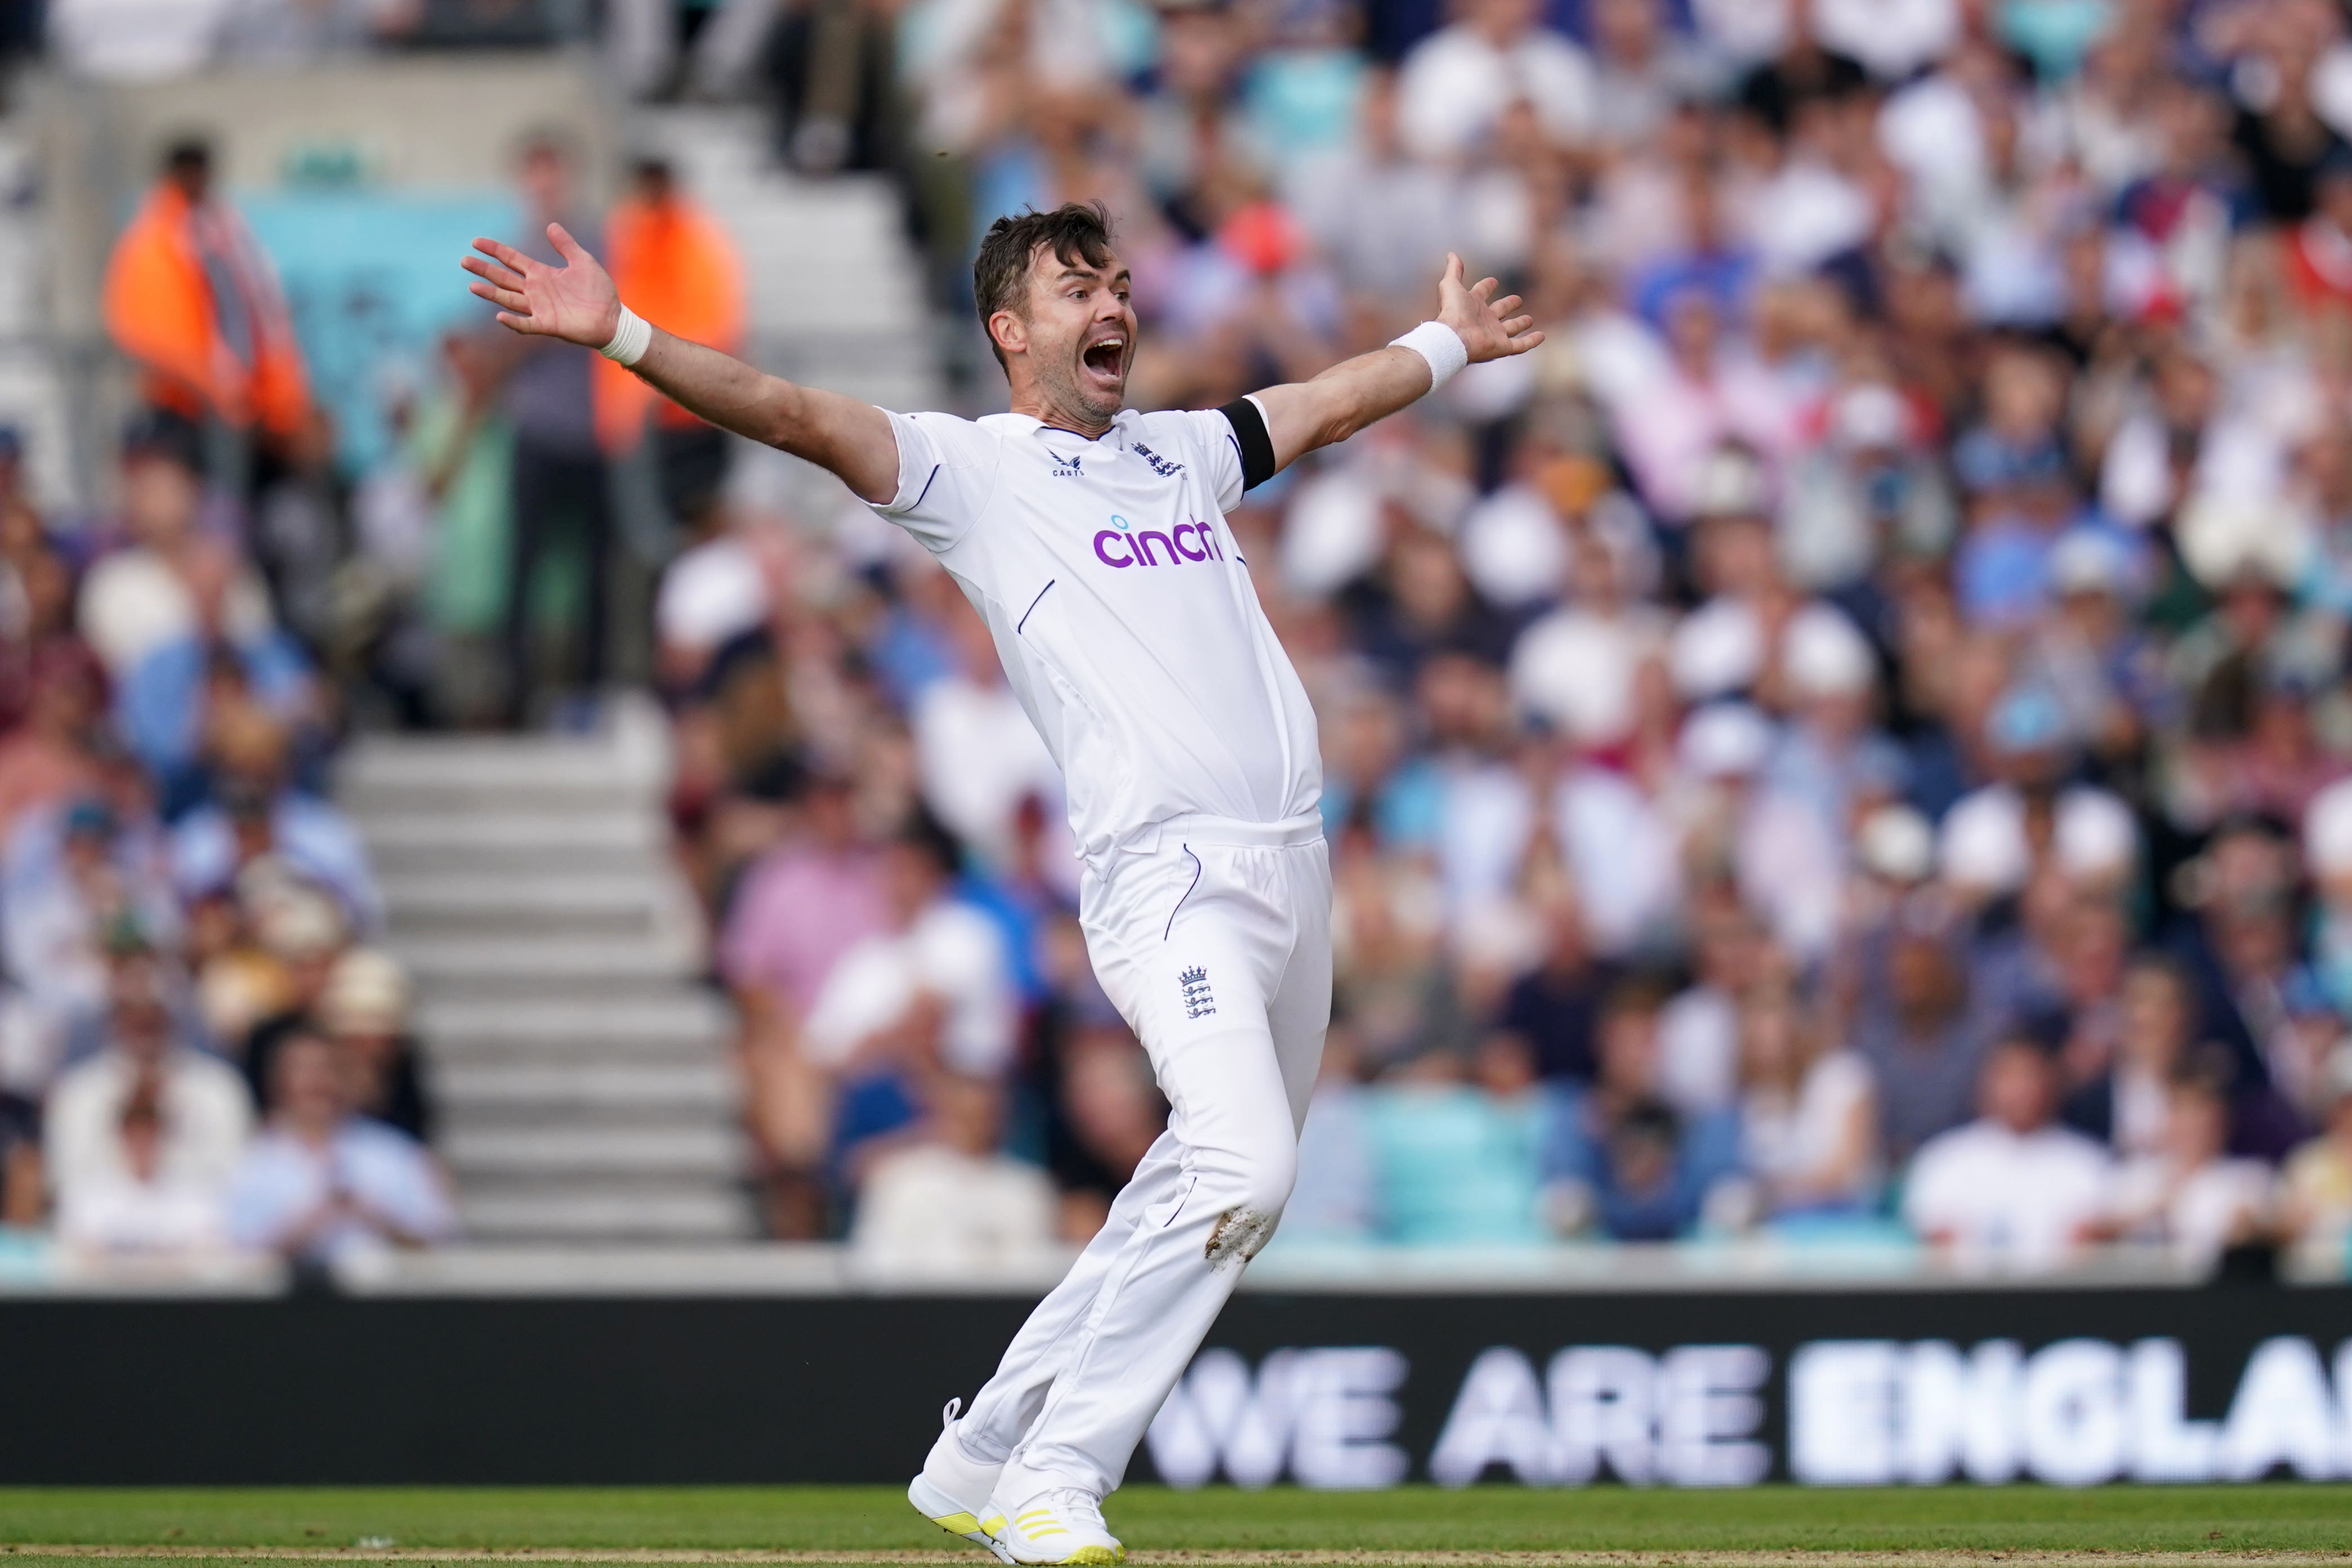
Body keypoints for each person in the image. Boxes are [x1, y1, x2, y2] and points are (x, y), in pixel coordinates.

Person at [462, 196, 1539, 1562]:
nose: (1114, 310)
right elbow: (790, 411)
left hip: (1295, 868)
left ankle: (976, 1451)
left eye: (1123, 285)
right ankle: (1055, 1475)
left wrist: (1440, 345)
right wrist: (619, 330)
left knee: (1203, 1180)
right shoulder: (973, 471)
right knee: (1246, 1162)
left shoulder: (1178, 451)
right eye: (1078, 291)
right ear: (1008, 331)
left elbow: (1319, 404)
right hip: (1169, 877)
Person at [223, 1027, 454, 1265]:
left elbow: (439, 1239)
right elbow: (235, 1252)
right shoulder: (252, 1161)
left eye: (327, 1068)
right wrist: (310, 1225)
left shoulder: (395, 1152)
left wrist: (376, 1218)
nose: (317, 1081)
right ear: (278, 1081)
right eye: (303, 1070)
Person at [1903, 1035, 2114, 1273]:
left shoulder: (2089, 1162)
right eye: (2008, 1075)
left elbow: (2089, 1257)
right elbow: (1937, 1256)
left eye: (2029, 1076)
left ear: (2053, 1082)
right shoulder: (1943, 1158)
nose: (2020, 1089)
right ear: (1985, 1083)